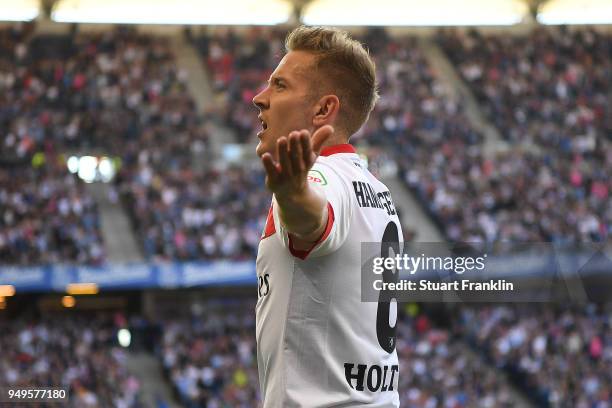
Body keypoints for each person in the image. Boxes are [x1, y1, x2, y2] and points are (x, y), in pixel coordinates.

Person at [253, 26, 403, 407]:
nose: (260, 99)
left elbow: (314, 223)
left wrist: (291, 193)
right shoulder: (377, 192)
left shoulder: (322, 176)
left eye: (280, 86)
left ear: (324, 109)